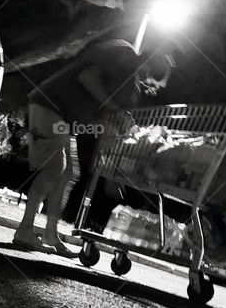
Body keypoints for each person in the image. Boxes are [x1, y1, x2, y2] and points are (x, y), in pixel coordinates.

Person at [13, 37, 175, 256]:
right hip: (51, 104)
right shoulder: (126, 57)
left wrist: (110, 173)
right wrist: (111, 107)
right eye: (152, 84)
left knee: (69, 173)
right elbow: (86, 76)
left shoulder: (127, 78)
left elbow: (104, 127)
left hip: (65, 117)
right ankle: (24, 230)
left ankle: (50, 233)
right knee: (54, 169)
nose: (149, 89)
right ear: (147, 67)